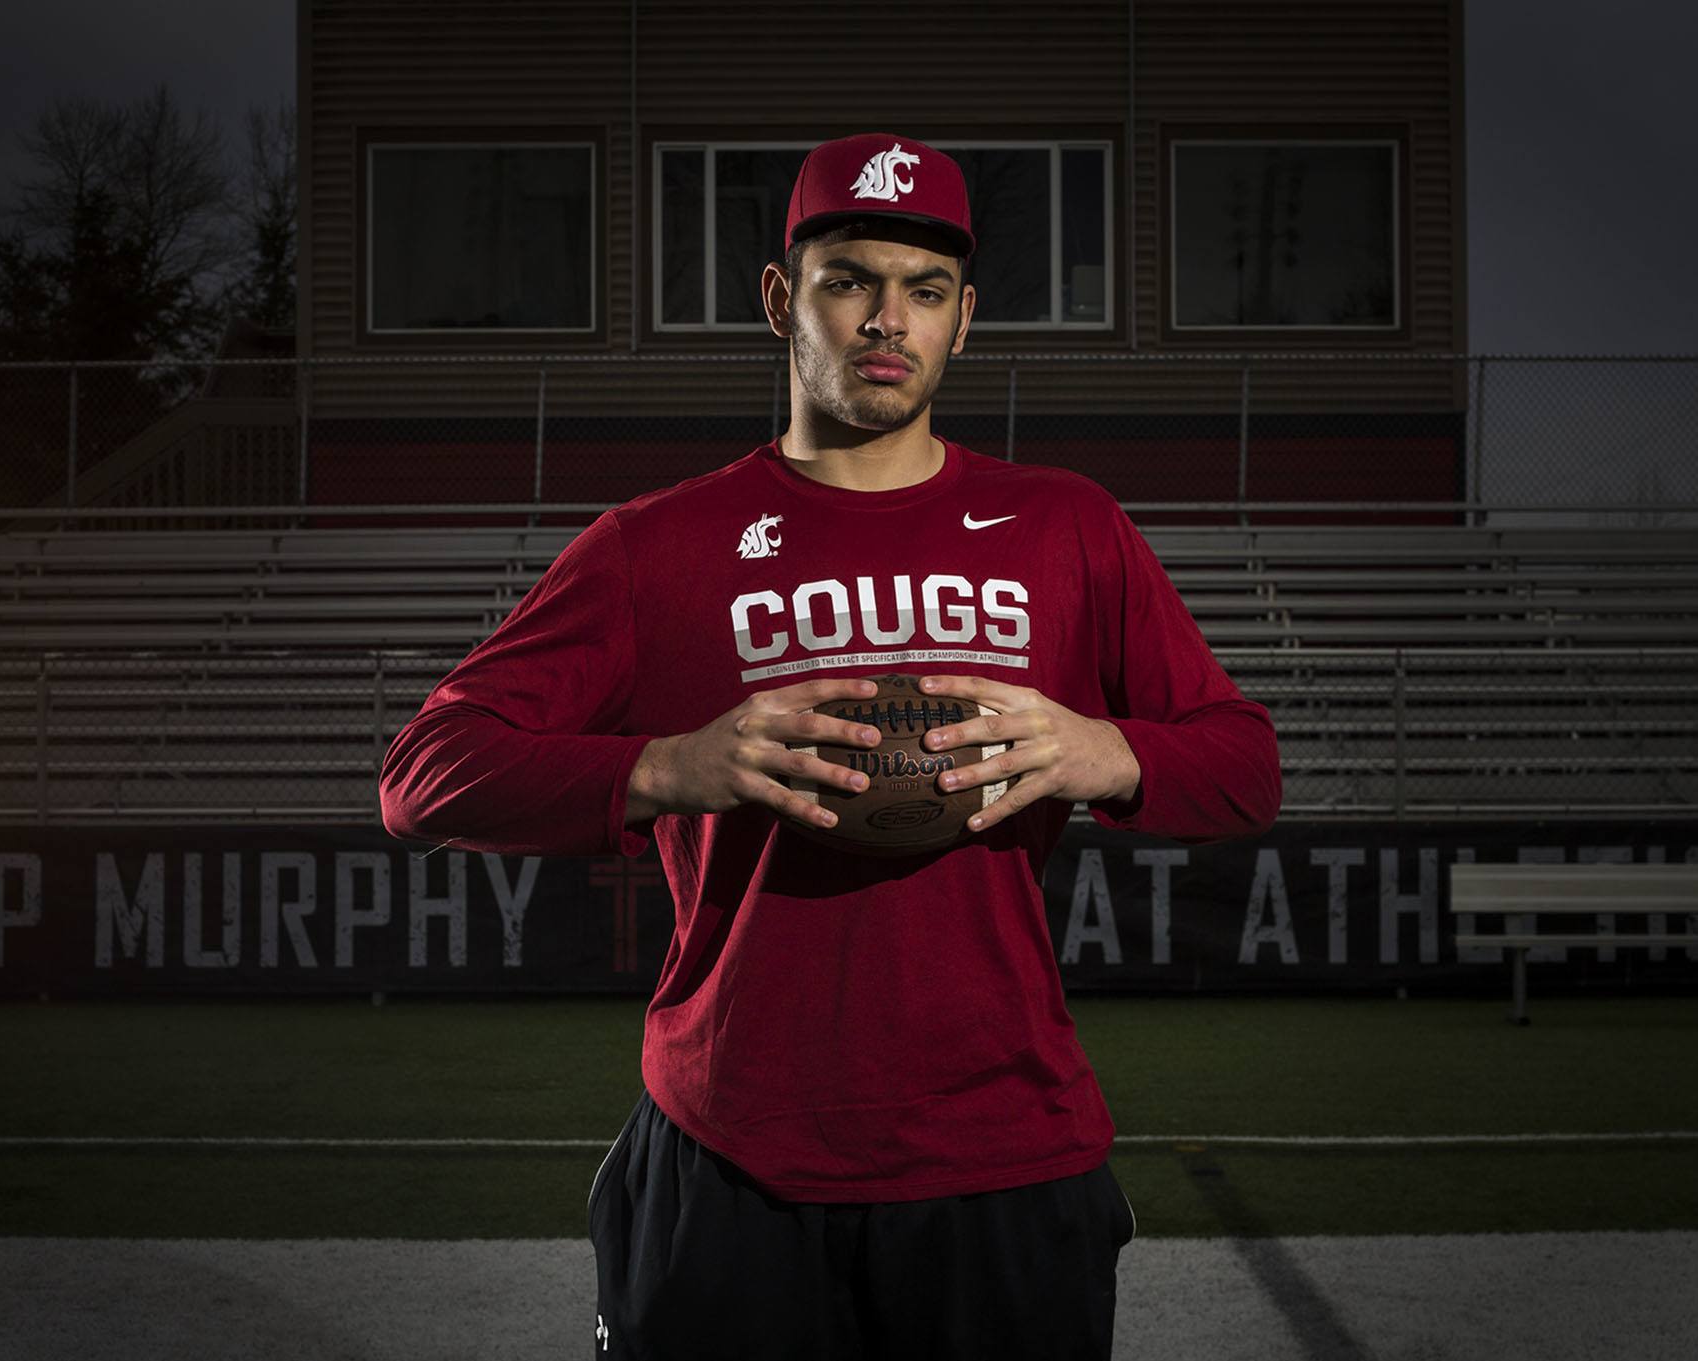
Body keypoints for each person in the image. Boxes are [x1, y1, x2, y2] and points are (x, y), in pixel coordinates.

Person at [378, 130, 1283, 1359]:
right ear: (778, 298)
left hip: (1005, 1151)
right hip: (730, 1150)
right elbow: (425, 772)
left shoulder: (1066, 527)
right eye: (848, 278)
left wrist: (1097, 749)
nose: (884, 320)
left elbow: (1242, 763)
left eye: (922, 290)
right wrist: (662, 765)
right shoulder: (657, 545)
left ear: (964, 320)